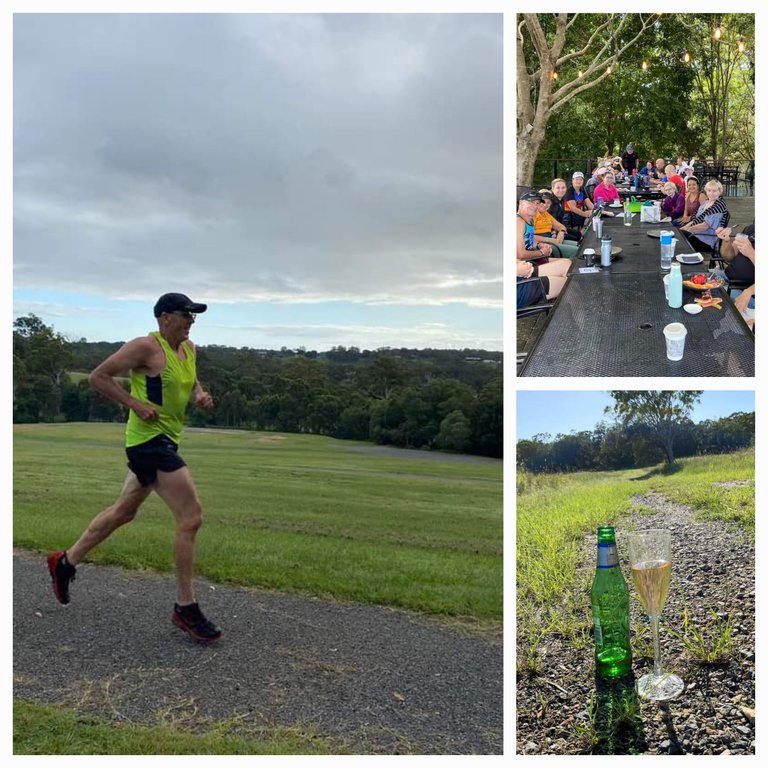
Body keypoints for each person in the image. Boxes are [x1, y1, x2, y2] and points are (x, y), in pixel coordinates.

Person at [47, 293, 222, 642]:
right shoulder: (145, 347)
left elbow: (189, 382)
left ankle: (64, 562)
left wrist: (199, 396)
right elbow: (99, 377)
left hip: (167, 440)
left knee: (123, 512)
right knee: (191, 517)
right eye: (185, 314)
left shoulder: (189, 350)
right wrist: (135, 405)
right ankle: (185, 608)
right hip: (147, 442)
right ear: (164, 317)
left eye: (194, 316)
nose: (190, 321)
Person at [516, 191, 570, 299]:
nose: (534, 206)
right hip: (523, 268)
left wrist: (539, 246)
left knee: (569, 264)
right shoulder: (518, 222)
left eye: (537, 203)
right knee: (568, 277)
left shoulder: (529, 219)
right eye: (531, 202)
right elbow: (520, 254)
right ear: (521, 203)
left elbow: (528, 241)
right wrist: (541, 252)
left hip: (531, 262)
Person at [679, 179, 729, 252]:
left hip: (708, 240)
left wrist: (688, 230)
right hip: (698, 234)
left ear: (719, 191)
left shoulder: (717, 208)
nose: (711, 193)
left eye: (714, 191)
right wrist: (682, 229)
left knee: (681, 237)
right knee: (679, 233)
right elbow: (695, 219)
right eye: (709, 190)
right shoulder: (706, 202)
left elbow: (704, 226)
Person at [533, 192, 581, 258]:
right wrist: (549, 240)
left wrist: (561, 233)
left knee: (580, 246)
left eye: (548, 203)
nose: (545, 205)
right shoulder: (534, 214)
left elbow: (561, 227)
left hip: (553, 239)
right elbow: (530, 236)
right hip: (543, 244)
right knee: (577, 251)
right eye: (543, 202)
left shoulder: (546, 214)